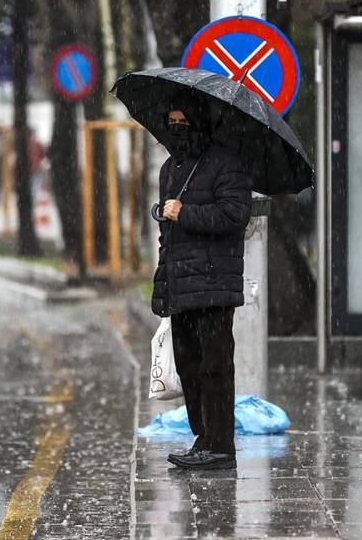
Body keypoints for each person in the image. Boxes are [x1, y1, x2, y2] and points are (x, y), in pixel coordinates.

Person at [151, 105, 252, 470]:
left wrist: (185, 212)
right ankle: (203, 438)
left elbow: (235, 214)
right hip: (181, 286)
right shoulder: (170, 168)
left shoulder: (226, 163)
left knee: (215, 366)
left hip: (213, 284)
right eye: (171, 123)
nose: (177, 129)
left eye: (184, 122)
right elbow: (168, 236)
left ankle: (221, 446)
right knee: (190, 367)